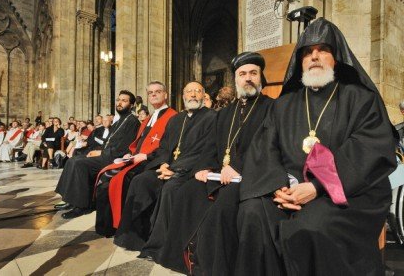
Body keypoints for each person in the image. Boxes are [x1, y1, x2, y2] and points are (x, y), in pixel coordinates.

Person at [236, 18, 397, 276]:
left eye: (323, 50)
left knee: (312, 225)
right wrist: (278, 187)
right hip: (288, 188)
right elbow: (265, 148)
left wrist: (317, 186)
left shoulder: (360, 98)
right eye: (308, 52)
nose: (315, 56)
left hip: (346, 192)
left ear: (336, 57)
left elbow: (369, 149)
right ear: (300, 61)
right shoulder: (284, 104)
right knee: (252, 213)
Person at [141, 52, 273, 274]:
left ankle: (211, 265)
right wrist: (203, 167)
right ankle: (181, 258)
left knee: (221, 208)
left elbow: (267, 144)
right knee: (185, 192)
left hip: (250, 174)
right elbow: (211, 146)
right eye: (242, 74)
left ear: (261, 77)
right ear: (236, 79)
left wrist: (237, 166)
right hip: (219, 173)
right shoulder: (225, 113)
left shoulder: (272, 107)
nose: (248, 78)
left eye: (253, 73)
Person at [113, 81, 216, 251]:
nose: (192, 95)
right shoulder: (176, 119)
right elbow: (164, 147)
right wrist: (163, 163)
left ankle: (160, 245)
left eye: (197, 91)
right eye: (188, 91)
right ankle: (135, 238)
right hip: (168, 167)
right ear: (183, 96)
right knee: (141, 180)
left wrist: (174, 169)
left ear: (203, 95)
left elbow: (204, 150)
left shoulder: (212, 117)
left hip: (190, 170)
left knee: (170, 188)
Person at [94, 81, 176, 235]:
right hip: (137, 159)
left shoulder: (173, 116)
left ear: (165, 95)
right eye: (150, 92)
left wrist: (146, 156)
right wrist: (130, 154)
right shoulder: (149, 118)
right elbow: (139, 142)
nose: (153, 94)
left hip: (153, 162)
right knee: (105, 178)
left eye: (158, 91)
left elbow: (168, 147)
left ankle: (125, 229)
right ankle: (109, 227)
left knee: (121, 180)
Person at [55, 90, 140, 219]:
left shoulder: (132, 121)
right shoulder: (119, 121)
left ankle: (82, 206)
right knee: (73, 159)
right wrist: (97, 150)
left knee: (79, 163)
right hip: (106, 154)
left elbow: (124, 147)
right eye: (118, 100)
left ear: (132, 105)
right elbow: (108, 141)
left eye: (124, 101)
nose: (119, 103)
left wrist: (101, 152)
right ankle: (69, 199)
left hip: (114, 158)